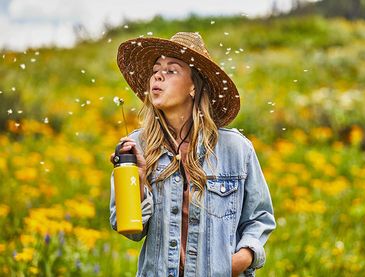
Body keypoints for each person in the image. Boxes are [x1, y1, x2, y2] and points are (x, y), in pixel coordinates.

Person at [109, 32, 276, 277]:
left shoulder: (235, 149)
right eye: (156, 69)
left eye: (172, 70)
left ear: (193, 86)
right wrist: (140, 180)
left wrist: (240, 260)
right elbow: (131, 231)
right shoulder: (135, 146)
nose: (158, 75)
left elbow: (259, 218)